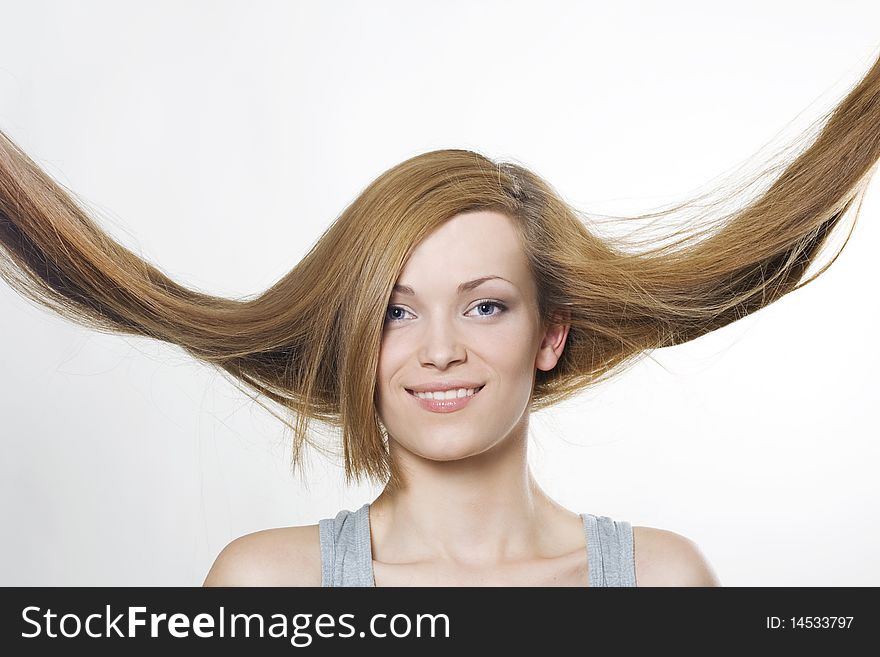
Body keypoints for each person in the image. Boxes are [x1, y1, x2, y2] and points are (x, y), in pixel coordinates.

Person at [1, 52, 878, 587]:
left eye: (485, 305)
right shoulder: (265, 585)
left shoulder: (661, 583)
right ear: (357, 341)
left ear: (549, 332)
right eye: (395, 313)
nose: (441, 350)